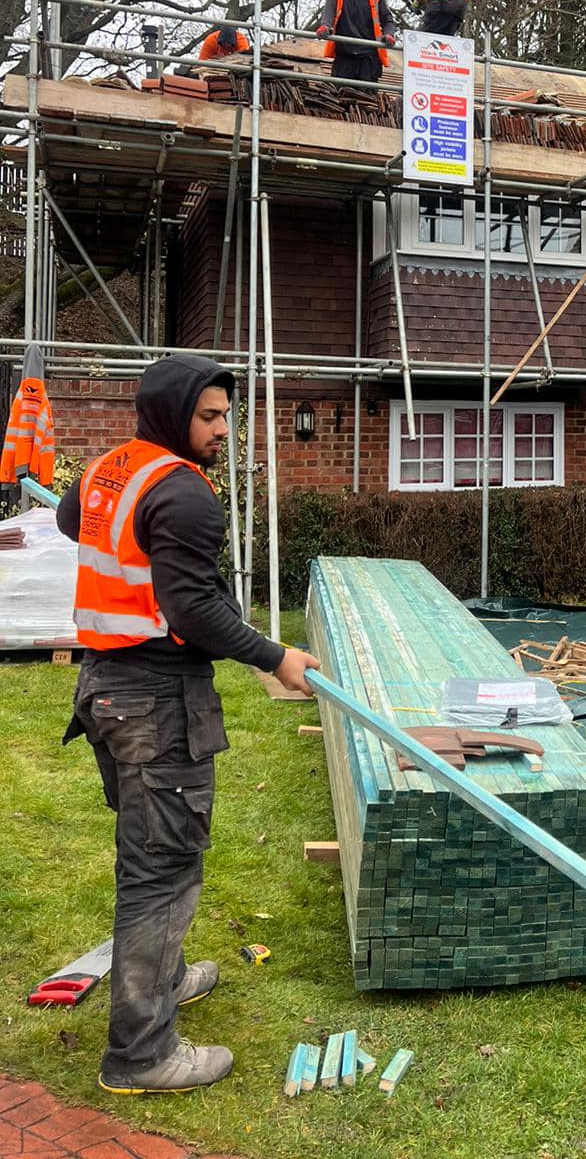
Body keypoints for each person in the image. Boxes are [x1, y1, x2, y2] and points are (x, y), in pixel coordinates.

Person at [57, 355, 319, 1095]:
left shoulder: (112, 467)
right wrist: (276, 657)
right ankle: (141, 1052)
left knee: (151, 848)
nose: (222, 430)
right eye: (209, 417)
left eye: (226, 416)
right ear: (174, 414)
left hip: (106, 691)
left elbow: (68, 519)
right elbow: (194, 612)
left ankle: (165, 977)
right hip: (153, 704)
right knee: (162, 869)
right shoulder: (182, 493)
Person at [315, 0, 397, 86]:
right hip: (344, 56)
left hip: (368, 58)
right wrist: (325, 25)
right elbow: (329, 9)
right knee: (338, 100)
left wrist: (389, 34)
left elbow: (388, 20)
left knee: (367, 103)